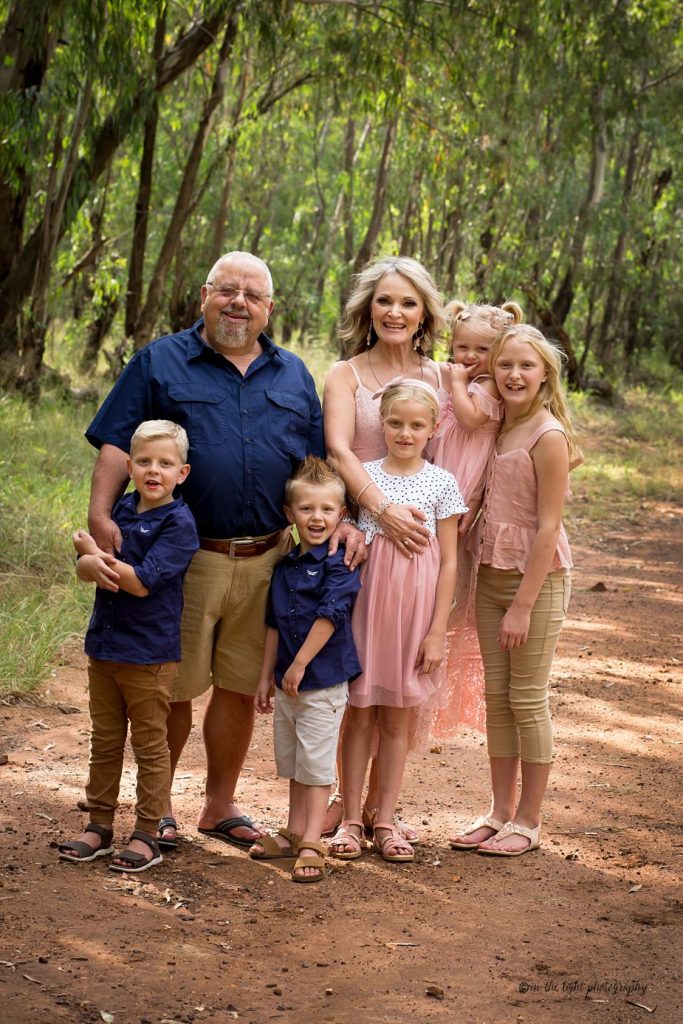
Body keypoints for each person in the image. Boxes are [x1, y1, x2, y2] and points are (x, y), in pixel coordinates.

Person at [85, 251, 333, 852]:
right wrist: (98, 513)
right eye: (227, 290)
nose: (238, 303)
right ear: (205, 295)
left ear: (269, 308)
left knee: (239, 685)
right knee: (171, 683)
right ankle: (160, 805)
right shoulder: (159, 363)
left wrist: (337, 521)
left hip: (269, 558)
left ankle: (218, 804)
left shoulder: (293, 374)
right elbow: (120, 444)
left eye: (252, 295)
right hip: (183, 559)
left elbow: (314, 463)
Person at [323, 255, 449, 843]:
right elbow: (340, 452)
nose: (395, 312)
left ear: (424, 312)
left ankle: (382, 812)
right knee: (357, 691)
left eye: (407, 302)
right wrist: (378, 510)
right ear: (366, 310)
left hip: (423, 554)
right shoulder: (345, 375)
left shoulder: (443, 379)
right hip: (362, 542)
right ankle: (344, 812)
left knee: (401, 693)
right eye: (384, 301)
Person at [450, 323, 580, 856]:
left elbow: (548, 528)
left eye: (526, 365)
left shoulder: (547, 436)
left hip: (536, 583)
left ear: (545, 372)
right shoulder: (500, 424)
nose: (513, 374)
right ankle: (499, 812)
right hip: (491, 577)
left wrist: (523, 607)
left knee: (527, 699)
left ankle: (529, 821)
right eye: (504, 364)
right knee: (497, 701)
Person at [329, 381, 466, 863]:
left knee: (396, 722)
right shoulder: (362, 479)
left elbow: (448, 562)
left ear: (434, 428)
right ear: (381, 422)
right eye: (395, 423)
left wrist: (435, 632)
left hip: (413, 620)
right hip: (365, 613)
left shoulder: (441, 483)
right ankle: (348, 819)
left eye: (416, 425)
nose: (405, 433)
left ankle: (384, 818)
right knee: (357, 716)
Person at [58, 420, 199, 872]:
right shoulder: (119, 509)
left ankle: (147, 831)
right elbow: (87, 568)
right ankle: (98, 824)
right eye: (143, 461)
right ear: (130, 466)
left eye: (165, 463)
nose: (153, 470)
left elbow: (138, 584)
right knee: (105, 739)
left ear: (183, 472)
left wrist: (89, 553)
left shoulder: (179, 523)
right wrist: (85, 557)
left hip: (149, 654)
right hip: (104, 645)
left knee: (149, 745)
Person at [250, 457, 361, 883]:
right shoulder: (284, 567)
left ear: (341, 514)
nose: (317, 518)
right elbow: (274, 623)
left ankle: (313, 839)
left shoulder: (339, 565)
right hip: (287, 683)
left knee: (315, 766)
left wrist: (298, 664)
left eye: (327, 510)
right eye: (307, 509)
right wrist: (267, 676)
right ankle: (295, 831)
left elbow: (331, 616)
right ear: (289, 514)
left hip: (322, 681)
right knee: (295, 762)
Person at [428, 300, 523, 735]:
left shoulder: (486, 393)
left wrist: (455, 383)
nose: (467, 357)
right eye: (461, 346)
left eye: (480, 350)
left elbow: (465, 417)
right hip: (436, 482)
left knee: (446, 576)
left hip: (459, 490)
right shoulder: (463, 383)